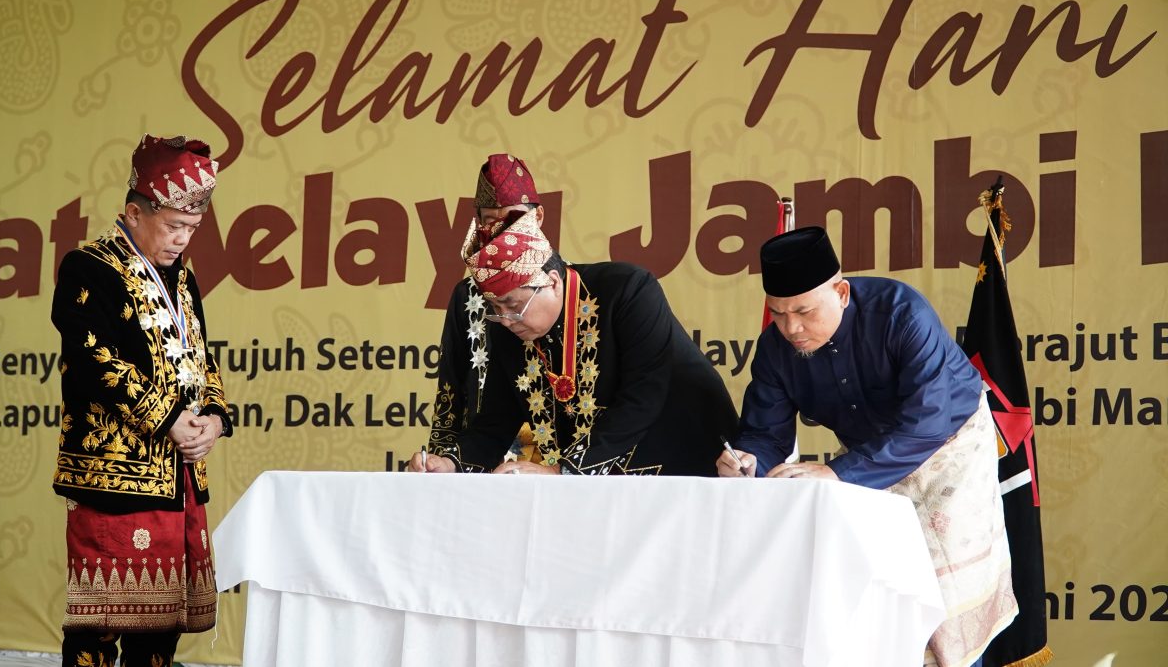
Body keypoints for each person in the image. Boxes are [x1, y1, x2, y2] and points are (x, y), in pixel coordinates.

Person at [718, 226, 1017, 667]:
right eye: (778, 314)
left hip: (950, 447)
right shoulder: (774, 349)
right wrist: (748, 461)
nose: (791, 328)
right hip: (867, 459)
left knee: (945, 596)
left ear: (841, 293)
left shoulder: (900, 313)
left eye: (803, 311)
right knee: (882, 591)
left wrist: (838, 473)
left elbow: (929, 421)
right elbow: (765, 434)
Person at [51, 134, 233, 667]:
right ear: (135, 213)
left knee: (161, 630)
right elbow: (94, 357)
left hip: (179, 479)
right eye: (174, 226)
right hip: (115, 477)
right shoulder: (89, 267)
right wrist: (169, 417)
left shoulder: (183, 278)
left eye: (192, 228)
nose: (183, 239)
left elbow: (201, 358)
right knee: (100, 627)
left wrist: (215, 417)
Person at [413, 209, 735, 475]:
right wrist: (451, 463)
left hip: (686, 463)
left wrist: (562, 471)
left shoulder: (628, 291)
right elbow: (497, 418)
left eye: (513, 305)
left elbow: (643, 396)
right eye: (495, 309)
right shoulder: (509, 327)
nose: (506, 319)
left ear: (552, 282)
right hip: (597, 481)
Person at [428, 153, 550, 463]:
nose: (500, 232)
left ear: (538, 217)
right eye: (489, 221)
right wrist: (442, 462)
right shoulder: (466, 294)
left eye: (512, 220)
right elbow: (450, 389)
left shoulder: (566, 288)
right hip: (481, 456)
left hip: (556, 461)